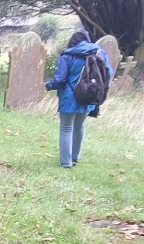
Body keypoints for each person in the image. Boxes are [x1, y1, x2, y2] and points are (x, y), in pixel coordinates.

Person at [45, 30, 113, 168]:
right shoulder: (99, 53)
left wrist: (49, 85)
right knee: (79, 125)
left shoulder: (67, 56)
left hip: (69, 97)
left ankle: (66, 163)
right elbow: (108, 74)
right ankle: (75, 157)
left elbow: (60, 79)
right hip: (89, 95)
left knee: (66, 128)